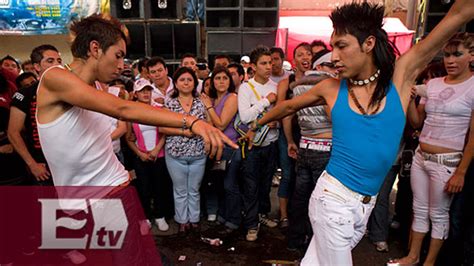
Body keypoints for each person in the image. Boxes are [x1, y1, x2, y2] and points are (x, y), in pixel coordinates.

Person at [246, 1, 473, 264]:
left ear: (368, 44)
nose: (333, 56)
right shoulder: (331, 88)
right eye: (333, 47)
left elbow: (457, 14)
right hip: (333, 201)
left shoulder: (399, 80)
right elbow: (288, 105)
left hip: (365, 205)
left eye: (342, 45)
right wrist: (254, 125)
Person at [35, 15, 234, 264]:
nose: (122, 65)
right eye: (118, 55)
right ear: (95, 48)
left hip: (112, 193)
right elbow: (124, 110)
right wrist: (192, 121)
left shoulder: (97, 86)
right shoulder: (55, 77)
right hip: (85, 204)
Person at [396, 32, 473, 265]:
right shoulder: (433, 83)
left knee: (438, 214)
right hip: (421, 156)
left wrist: (461, 171)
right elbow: (418, 122)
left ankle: (429, 262)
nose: (450, 60)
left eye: (457, 54)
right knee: (418, 209)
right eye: (447, 54)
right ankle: (412, 257)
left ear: (472, 55)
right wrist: (409, 100)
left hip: (448, 161)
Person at [280, 43, 334, 250]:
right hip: (325, 149)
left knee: (300, 196)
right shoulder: (330, 86)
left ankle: (294, 240)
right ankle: (314, 243)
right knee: (321, 200)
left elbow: (288, 113)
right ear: (321, 67)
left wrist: (291, 141)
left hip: (305, 146)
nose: (335, 69)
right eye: (331, 65)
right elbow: (332, 116)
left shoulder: (299, 85)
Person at [238, 46, 279, 242]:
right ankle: (251, 225)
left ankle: (262, 215)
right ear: (253, 67)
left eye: (270, 62)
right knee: (251, 186)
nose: (269, 66)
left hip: (271, 144)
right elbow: (245, 117)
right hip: (252, 147)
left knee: (265, 185)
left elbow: (281, 113)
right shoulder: (246, 87)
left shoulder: (276, 86)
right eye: (263, 63)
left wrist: (275, 121)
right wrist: (265, 102)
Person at [161, 67, 209, 234]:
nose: (186, 83)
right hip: (175, 153)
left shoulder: (202, 102)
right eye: (182, 80)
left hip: (199, 153)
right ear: (175, 83)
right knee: (180, 189)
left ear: (195, 83)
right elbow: (162, 128)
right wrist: (184, 132)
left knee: (194, 189)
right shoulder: (169, 102)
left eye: (189, 80)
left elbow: (209, 125)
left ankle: (194, 220)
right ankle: (182, 220)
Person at [8, 44, 62, 186]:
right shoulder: (24, 94)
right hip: (43, 166)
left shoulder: (70, 91)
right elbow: (13, 132)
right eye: (50, 61)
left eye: (59, 61)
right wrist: (32, 164)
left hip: (70, 164)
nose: (56, 65)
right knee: (49, 206)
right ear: (37, 67)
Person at [127, 78, 173, 233]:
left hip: (158, 155)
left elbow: (165, 133)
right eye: (142, 91)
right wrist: (139, 153)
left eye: (148, 90)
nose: (146, 94)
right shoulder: (131, 110)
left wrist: (155, 150)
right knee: (144, 189)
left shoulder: (159, 108)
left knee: (160, 187)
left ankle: (160, 216)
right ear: (135, 94)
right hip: (140, 156)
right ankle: (145, 217)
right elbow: (128, 137)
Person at [200, 66, 242, 233]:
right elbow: (209, 126)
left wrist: (208, 107)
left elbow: (222, 123)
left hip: (231, 147)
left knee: (230, 185)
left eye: (225, 78)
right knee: (219, 185)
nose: (221, 81)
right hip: (216, 148)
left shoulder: (232, 97)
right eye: (217, 78)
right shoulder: (213, 100)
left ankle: (234, 220)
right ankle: (223, 216)